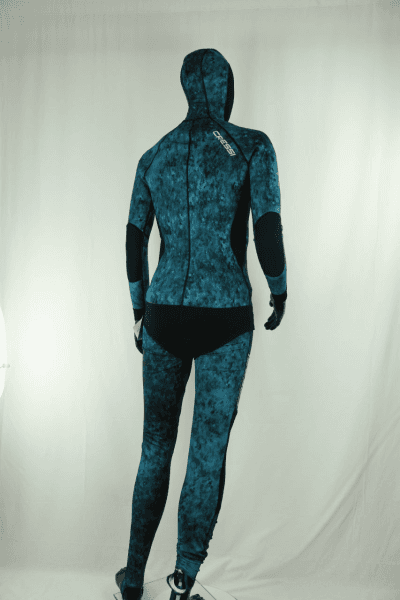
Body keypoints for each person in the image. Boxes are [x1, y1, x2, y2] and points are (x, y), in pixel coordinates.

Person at [118, 48, 287, 600]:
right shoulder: (252, 146)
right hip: (226, 320)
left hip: (163, 315)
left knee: (154, 446)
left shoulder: (154, 156)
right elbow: (266, 228)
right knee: (207, 450)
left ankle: (132, 576)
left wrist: (138, 309)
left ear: (187, 89)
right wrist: (280, 288)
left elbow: (134, 240)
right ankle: (181, 580)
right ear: (226, 87)